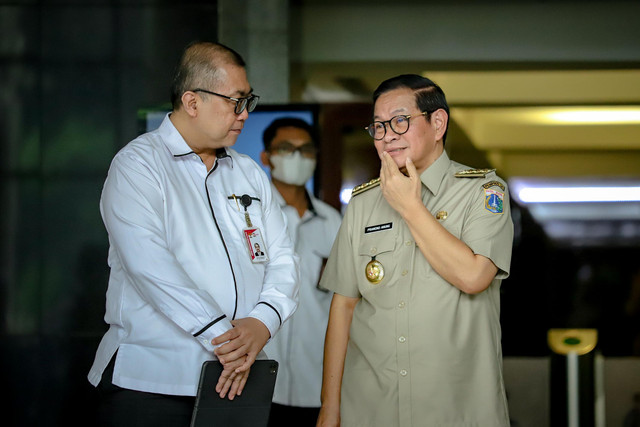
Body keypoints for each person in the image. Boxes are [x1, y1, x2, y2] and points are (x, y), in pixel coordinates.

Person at [87, 41, 299, 427]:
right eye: (236, 101)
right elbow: (150, 266)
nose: (244, 115)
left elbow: (283, 258)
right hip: (152, 381)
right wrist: (227, 342)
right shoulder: (138, 165)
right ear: (192, 101)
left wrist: (263, 322)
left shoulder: (248, 172)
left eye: (248, 101)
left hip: (236, 381)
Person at [316, 74, 514, 427]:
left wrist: (410, 207)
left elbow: (474, 276)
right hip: (371, 407)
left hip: (455, 408)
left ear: (437, 123)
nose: (388, 135)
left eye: (400, 121)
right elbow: (344, 305)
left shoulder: (483, 192)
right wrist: (329, 407)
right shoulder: (362, 203)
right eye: (378, 126)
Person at [259, 118, 342, 426]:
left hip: (315, 381)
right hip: (259, 376)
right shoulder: (251, 215)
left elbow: (342, 297)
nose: (297, 157)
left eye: (305, 150)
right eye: (286, 149)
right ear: (266, 157)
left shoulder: (331, 220)